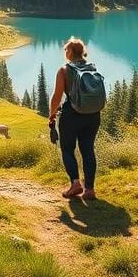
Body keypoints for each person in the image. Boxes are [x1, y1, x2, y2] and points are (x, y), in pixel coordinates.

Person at [48, 37, 101, 200]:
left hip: (71, 116)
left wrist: (52, 114)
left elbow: (57, 97)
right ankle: (90, 190)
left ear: (70, 52)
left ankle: (75, 183)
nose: (65, 53)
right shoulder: (92, 68)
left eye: (66, 50)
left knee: (67, 149)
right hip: (92, 115)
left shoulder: (64, 70)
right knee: (87, 150)